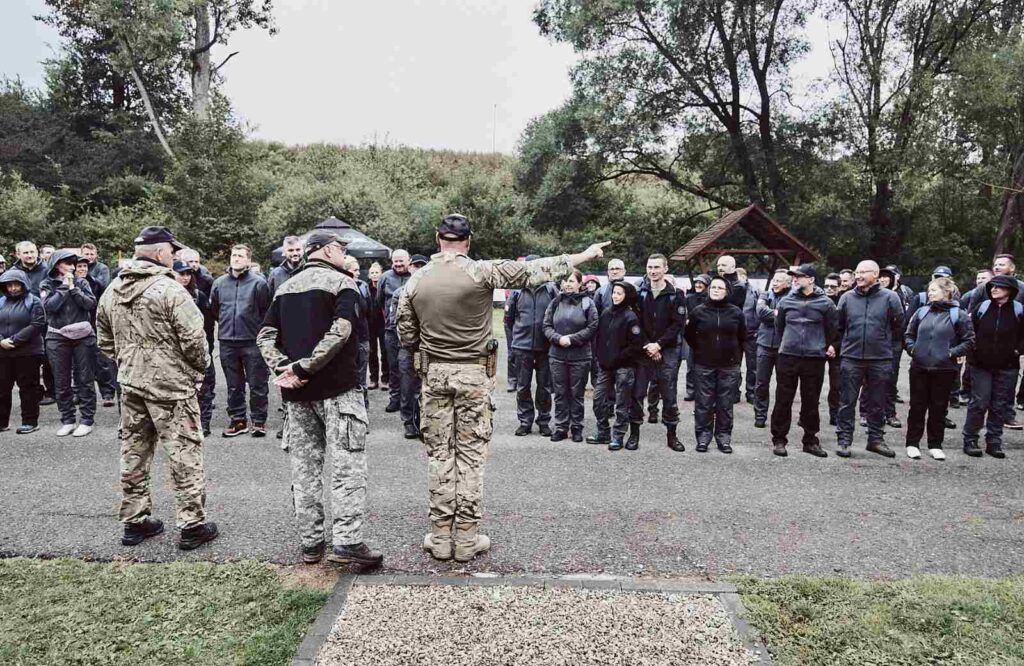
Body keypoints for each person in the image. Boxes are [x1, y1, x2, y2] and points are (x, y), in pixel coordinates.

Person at [397, 213, 606, 562]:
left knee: (440, 456)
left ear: (437, 239)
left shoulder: (416, 279)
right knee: (470, 455)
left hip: (435, 376)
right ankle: (467, 540)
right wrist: (583, 256)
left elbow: (405, 333)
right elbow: (534, 270)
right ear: (469, 241)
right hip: (474, 376)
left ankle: (440, 538)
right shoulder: (482, 272)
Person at [257, 230, 383, 568]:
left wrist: (284, 368)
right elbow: (341, 332)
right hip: (338, 391)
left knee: (305, 471)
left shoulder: (284, 287)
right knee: (347, 468)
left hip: (297, 395)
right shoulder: (344, 284)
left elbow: (265, 336)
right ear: (327, 251)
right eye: (341, 249)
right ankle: (347, 542)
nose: (344, 255)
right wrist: (304, 367)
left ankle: (311, 542)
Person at [97, 226, 218, 550]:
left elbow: (104, 339)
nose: (174, 256)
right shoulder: (170, 290)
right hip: (171, 387)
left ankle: (135, 521)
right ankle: (192, 525)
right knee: (184, 453)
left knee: (134, 451)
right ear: (161, 252)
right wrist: (196, 370)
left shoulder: (112, 290)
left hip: (131, 384)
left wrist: (127, 362)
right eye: (172, 251)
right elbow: (195, 341)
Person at [835, 260, 905, 458]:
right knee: (847, 401)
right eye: (857, 272)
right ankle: (844, 440)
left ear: (876, 275)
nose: (858, 276)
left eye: (864, 272)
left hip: (880, 358)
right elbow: (839, 326)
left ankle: (875, 440)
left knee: (877, 402)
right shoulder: (846, 298)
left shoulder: (890, 297)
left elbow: (899, 325)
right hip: (851, 357)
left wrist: (884, 345)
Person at [769, 265, 838, 458]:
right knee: (783, 399)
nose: (795, 279)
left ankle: (810, 440)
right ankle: (779, 439)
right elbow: (779, 327)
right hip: (788, 356)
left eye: (799, 276)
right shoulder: (786, 301)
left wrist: (820, 346)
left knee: (811, 400)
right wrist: (788, 344)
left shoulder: (826, 303)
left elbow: (832, 330)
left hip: (814, 358)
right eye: (794, 276)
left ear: (811, 279)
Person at [904, 277, 974, 460]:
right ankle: (912, 443)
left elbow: (969, 340)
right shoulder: (922, 311)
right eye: (929, 290)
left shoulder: (959, 315)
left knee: (939, 408)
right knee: (917, 407)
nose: (930, 293)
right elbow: (909, 334)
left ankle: (935, 445)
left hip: (944, 369)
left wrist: (950, 353)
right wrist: (913, 349)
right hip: (919, 367)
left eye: (934, 290)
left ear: (947, 292)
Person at [210, 244, 271, 437]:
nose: (236, 259)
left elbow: (265, 310)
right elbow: (216, 310)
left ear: (248, 260)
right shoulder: (219, 283)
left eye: (240, 256)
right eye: (234, 255)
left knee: (257, 384)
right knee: (233, 385)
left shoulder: (259, 283)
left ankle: (258, 421)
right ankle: (238, 421)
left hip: (252, 341)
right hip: (227, 341)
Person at [961, 275, 1024, 459]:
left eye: (999, 287)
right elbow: (969, 331)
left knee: (1000, 405)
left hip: (1008, 366)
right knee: (979, 403)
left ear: (1010, 290)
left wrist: (1017, 351)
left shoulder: (1019, 310)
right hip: (981, 365)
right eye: (993, 286)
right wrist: (972, 353)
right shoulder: (982, 307)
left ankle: (994, 442)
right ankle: (970, 439)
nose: (994, 289)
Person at [684, 275, 745, 453]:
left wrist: (734, 356)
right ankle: (703, 437)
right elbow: (689, 335)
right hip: (704, 364)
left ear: (727, 292)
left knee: (725, 404)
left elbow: (742, 336)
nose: (716, 290)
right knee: (703, 403)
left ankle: (723, 438)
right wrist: (701, 350)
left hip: (729, 365)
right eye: (713, 287)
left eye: (720, 288)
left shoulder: (736, 312)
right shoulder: (698, 312)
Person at [40, 249, 98, 437]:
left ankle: (87, 420)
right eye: (68, 263)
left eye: (74, 264)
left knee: (85, 379)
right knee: (61, 381)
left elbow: (90, 304)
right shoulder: (46, 284)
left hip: (83, 336)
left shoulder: (81, 282)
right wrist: (64, 287)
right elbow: (49, 307)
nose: (72, 267)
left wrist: (74, 288)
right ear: (57, 265)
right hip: (57, 337)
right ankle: (68, 420)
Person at [633, 254, 686, 451]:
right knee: (637, 393)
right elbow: (635, 323)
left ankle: (672, 436)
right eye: (650, 267)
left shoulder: (676, 295)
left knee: (669, 395)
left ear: (665, 269)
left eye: (656, 267)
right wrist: (648, 345)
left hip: (668, 350)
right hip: (644, 350)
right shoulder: (640, 293)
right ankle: (634, 434)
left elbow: (677, 325)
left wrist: (659, 345)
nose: (653, 271)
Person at [543, 269, 598, 442]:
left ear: (580, 283)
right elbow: (546, 326)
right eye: (565, 281)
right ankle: (561, 427)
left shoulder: (588, 303)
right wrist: (558, 339)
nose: (567, 284)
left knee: (577, 394)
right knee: (560, 393)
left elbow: (593, 326)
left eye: (572, 281)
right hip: (557, 355)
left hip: (580, 357)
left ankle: (576, 428)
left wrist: (572, 339)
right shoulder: (555, 302)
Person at [508, 255, 559, 437]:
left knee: (544, 387)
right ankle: (525, 421)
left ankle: (544, 421)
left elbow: (557, 316)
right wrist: (516, 341)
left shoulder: (551, 290)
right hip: (522, 348)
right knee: (523, 387)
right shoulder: (517, 291)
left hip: (545, 348)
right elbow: (509, 320)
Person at [592, 281, 643, 450]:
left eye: (619, 293)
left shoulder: (631, 317)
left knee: (622, 403)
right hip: (605, 365)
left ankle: (618, 436)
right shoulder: (606, 313)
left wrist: (618, 358)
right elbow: (599, 337)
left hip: (624, 367)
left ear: (627, 296)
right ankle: (603, 432)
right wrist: (600, 356)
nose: (615, 296)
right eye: (614, 292)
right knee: (598, 399)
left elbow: (635, 345)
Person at [172, 261, 217, 436]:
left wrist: (207, 348)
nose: (185, 278)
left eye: (188, 274)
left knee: (204, 389)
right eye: (181, 274)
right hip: (176, 352)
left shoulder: (199, 296)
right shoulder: (167, 295)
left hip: (198, 348)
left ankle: (203, 424)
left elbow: (209, 325)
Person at [387, 254, 428, 439]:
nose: (418, 269)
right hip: (408, 347)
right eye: (415, 266)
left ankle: (426, 422)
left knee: (427, 387)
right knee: (407, 387)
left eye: (422, 266)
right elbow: (393, 321)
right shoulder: (400, 292)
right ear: (410, 268)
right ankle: (409, 422)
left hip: (428, 347)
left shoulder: (433, 292)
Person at [0, 269, 46, 434]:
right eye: (9, 285)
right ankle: (2, 422)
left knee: (28, 388)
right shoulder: (1, 302)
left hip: (28, 352)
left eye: (16, 285)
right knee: (2, 388)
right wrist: (1, 340)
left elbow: (37, 324)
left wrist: (14, 340)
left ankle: (30, 421)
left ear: (23, 284)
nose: (13, 288)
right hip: (3, 352)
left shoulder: (33, 301)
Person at [75, 258, 118, 407]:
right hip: (77, 326)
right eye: (79, 266)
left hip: (95, 324)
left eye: (84, 266)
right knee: (78, 363)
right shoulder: (69, 283)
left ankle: (107, 393)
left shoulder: (95, 283)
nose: (82, 269)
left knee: (102, 361)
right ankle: (79, 393)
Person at [753, 269, 792, 428]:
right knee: (761, 382)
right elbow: (761, 313)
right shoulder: (764, 295)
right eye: (774, 280)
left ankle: (780, 416)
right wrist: (777, 314)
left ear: (788, 283)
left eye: (779, 281)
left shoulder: (792, 298)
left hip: (784, 347)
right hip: (764, 344)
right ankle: (760, 414)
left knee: (783, 384)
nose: (775, 283)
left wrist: (776, 314)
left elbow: (788, 317)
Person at [378, 250, 412, 411]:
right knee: (393, 366)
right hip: (391, 331)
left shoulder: (415, 277)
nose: (398, 264)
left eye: (401, 261)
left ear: (409, 261)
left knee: (409, 368)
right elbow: (379, 301)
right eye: (395, 261)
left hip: (410, 332)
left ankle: (409, 402)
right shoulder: (385, 277)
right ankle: (394, 398)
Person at [683, 274, 710, 401]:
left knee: (705, 366)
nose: (698, 285)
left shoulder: (710, 299)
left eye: (701, 283)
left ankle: (703, 390)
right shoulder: (689, 298)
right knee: (690, 365)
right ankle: (690, 390)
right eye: (697, 283)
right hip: (692, 336)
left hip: (706, 336)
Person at [736, 267, 761, 403]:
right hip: (734, 335)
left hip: (751, 334)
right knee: (734, 366)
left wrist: (758, 329)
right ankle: (734, 392)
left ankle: (751, 392)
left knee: (753, 366)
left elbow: (760, 312)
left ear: (745, 277)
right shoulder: (731, 291)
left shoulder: (755, 291)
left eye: (739, 276)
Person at [824, 272, 843, 425]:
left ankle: (834, 414)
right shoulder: (818, 301)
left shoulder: (844, 303)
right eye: (826, 286)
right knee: (811, 384)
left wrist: (834, 346)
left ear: (839, 287)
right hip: (818, 346)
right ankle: (807, 414)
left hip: (838, 348)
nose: (829, 289)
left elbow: (845, 328)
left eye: (833, 286)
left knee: (836, 384)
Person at [366, 262, 388, 390]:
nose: (374, 275)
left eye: (377, 272)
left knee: (385, 352)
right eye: (372, 273)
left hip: (383, 324)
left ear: (381, 274)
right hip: (370, 325)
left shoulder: (385, 287)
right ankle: (373, 379)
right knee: (372, 352)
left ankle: (385, 379)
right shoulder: (366, 288)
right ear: (369, 275)